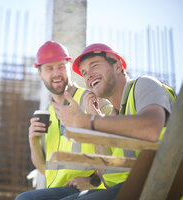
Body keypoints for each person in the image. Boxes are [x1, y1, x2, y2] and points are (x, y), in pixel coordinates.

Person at [50, 43, 176, 199]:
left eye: (94, 66)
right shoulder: (111, 117)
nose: (88, 75)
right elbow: (108, 179)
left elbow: (151, 128)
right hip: (127, 188)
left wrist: (87, 120)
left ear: (117, 66)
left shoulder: (144, 84)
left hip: (158, 185)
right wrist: (93, 126)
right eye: (84, 73)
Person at [15, 41, 112, 200]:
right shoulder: (48, 114)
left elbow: (116, 150)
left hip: (87, 191)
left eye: (61, 66)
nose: (56, 73)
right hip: (57, 193)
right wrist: (33, 141)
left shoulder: (92, 100)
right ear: (40, 73)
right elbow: (44, 168)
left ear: (69, 66)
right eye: (49, 68)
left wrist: (93, 181)